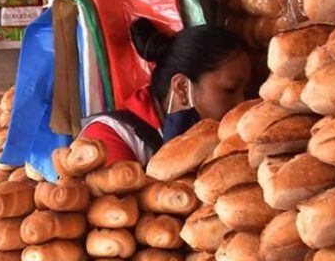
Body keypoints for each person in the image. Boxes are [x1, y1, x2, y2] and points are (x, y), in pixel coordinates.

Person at [80, 18, 251, 165]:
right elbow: (115, 202)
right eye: (229, 90)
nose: (242, 104)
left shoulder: (230, 142)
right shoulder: (109, 136)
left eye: (246, 92)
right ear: (182, 88)